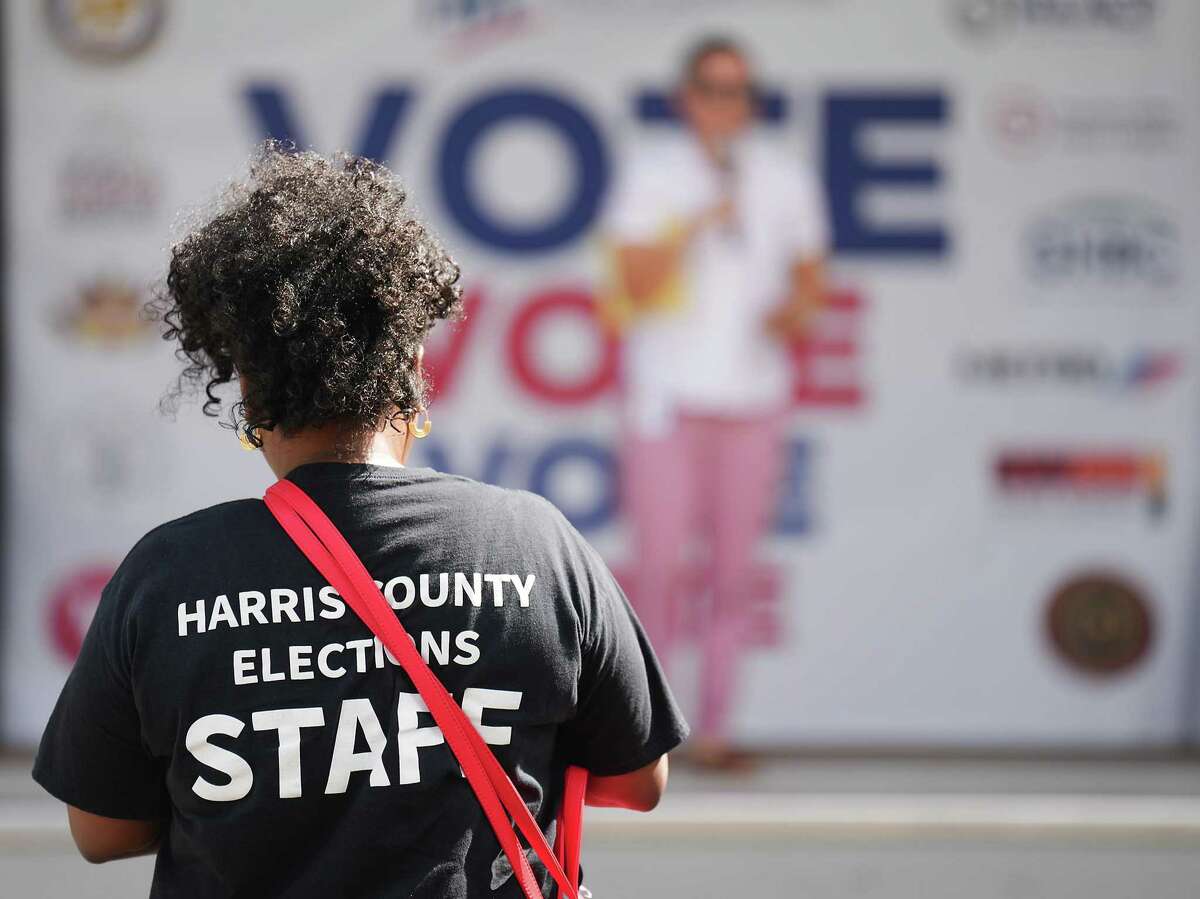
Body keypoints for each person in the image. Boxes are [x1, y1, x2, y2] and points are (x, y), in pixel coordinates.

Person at [32, 145, 689, 898]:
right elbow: (640, 779)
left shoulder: (169, 575)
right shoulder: (534, 544)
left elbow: (102, 829)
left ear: (247, 391)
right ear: (411, 368)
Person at [604, 37, 829, 769]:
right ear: (685, 97)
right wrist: (702, 215)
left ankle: (720, 730)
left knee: (735, 572)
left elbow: (810, 282)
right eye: (711, 87)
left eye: (738, 90)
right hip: (668, 402)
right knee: (661, 568)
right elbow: (633, 285)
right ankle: (647, 739)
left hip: (752, 399)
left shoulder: (785, 176)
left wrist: (791, 312)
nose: (725, 103)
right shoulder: (653, 173)